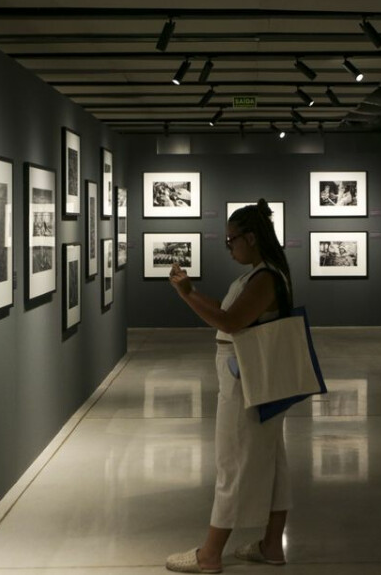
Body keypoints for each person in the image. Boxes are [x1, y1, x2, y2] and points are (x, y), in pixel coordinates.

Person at [165, 199, 293, 573]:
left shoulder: (265, 277)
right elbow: (229, 311)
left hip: (246, 382)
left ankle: (210, 554)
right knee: (273, 462)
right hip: (258, 379)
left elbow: (231, 321)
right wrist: (192, 293)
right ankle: (272, 545)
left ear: (251, 238)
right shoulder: (260, 274)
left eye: (231, 240)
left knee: (232, 464)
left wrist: (187, 293)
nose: (229, 246)